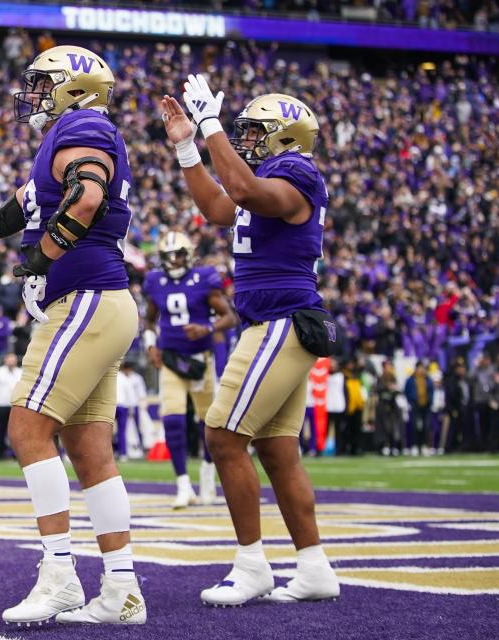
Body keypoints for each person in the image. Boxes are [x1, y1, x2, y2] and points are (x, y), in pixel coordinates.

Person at [0, 45, 145, 625]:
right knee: (91, 452)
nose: (31, 95)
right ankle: (122, 590)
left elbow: (87, 196)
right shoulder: (61, 141)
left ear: (73, 89)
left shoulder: (82, 126)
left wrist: (43, 259)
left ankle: (59, 575)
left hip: (85, 296)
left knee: (28, 427)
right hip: (101, 301)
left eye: (41, 84)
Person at [160, 77, 339, 605]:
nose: (247, 140)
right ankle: (313, 567)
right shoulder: (264, 175)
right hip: (274, 322)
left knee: (221, 437)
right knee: (278, 451)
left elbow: (241, 191)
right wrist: (187, 145)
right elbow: (219, 208)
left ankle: (251, 564)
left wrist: (211, 127)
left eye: (257, 132)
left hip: (280, 322)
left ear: (287, 138)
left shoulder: (296, 171)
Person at [143, 231, 237, 507]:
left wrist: (206, 328)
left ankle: (208, 474)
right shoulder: (156, 282)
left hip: (200, 359)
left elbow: (230, 316)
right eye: (168, 256)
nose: (174, 261)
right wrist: (150, 345)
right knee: (172, 417)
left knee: (208, 423)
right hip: (172, 359)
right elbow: (149, 321)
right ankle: (183, 485)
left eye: (178, 255)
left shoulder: (203, 279)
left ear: (189, 255)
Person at [0, 353, 21, 458]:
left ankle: (17, 453)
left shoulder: (21, 372)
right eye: (9, 359)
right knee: (1, 429)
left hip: (16, 405)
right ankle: (0, 453)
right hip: (2, 405)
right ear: (5, 360)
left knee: (17, 431)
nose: (11, 361)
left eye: (13, 359)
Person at [114, 361, 146, 461]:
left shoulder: (114, 376)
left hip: (113, 405)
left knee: (111, 431)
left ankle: (121, 452)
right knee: (122, 431)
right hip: (123, 406)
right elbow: (130, 395)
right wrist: (131, 409)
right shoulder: (124, 379)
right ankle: (123, 453)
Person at [404, 361, 433, 456]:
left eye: (423, 368)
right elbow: (407, 392)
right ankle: (415, 446)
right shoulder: (410, 380)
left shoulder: (428, 379)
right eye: (419, 368)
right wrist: (410, 402)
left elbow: (431, 392)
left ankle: (424, 446)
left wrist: (430, 401)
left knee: (426, 426)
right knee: (415, 426)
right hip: (415, 405)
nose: (421, 370)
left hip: (426, 406)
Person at [375, 361, 404, 455]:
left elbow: (398, 391)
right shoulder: (380, 377)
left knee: (393, 428)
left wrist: (394, 389)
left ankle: (393, 447)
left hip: (392, 406)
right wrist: (386, 387)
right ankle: (382, 447)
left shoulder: (393, 377)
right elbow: (377, 389)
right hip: (383, 406)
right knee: (383, 429)